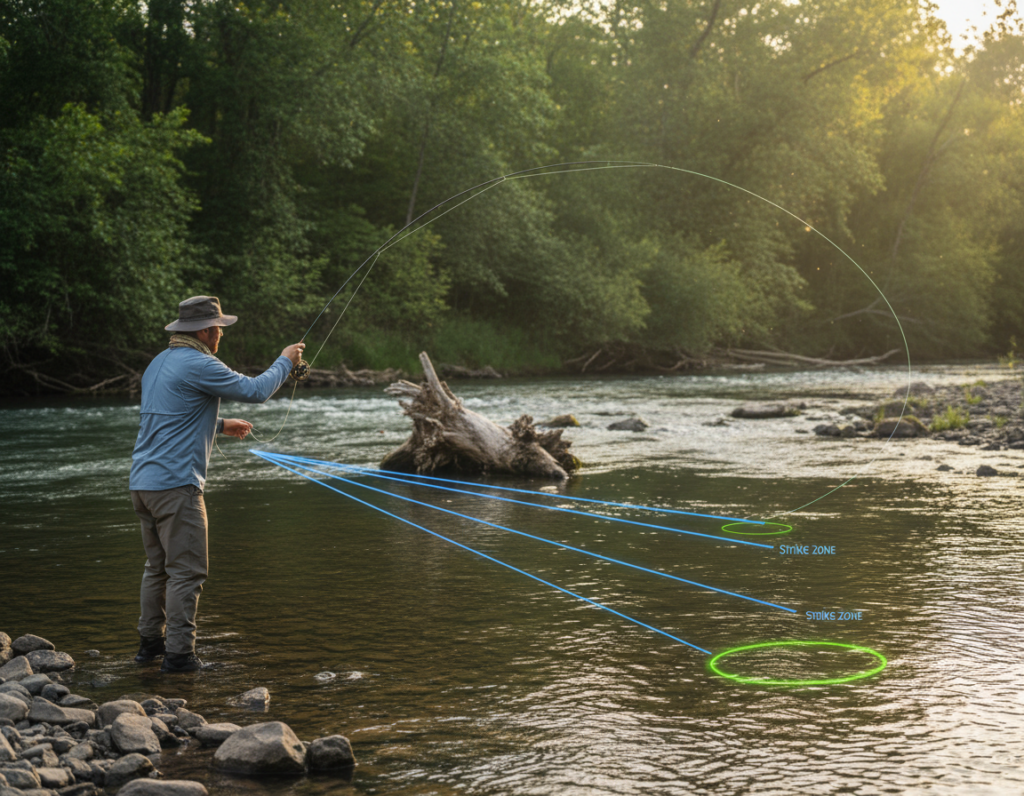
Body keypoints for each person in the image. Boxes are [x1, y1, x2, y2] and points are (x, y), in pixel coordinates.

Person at [128, 295, 305, 673]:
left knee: (157, 568)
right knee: (187, 572)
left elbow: (168, 416)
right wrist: (285, 361)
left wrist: (221, 425)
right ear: (207, 331)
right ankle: (179, 657)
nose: (221, 334)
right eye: (219, 329)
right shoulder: (200, 362)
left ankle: (149, 647)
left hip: (142, 484)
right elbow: (256, 391)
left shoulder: (158, 363)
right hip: (176, 487)